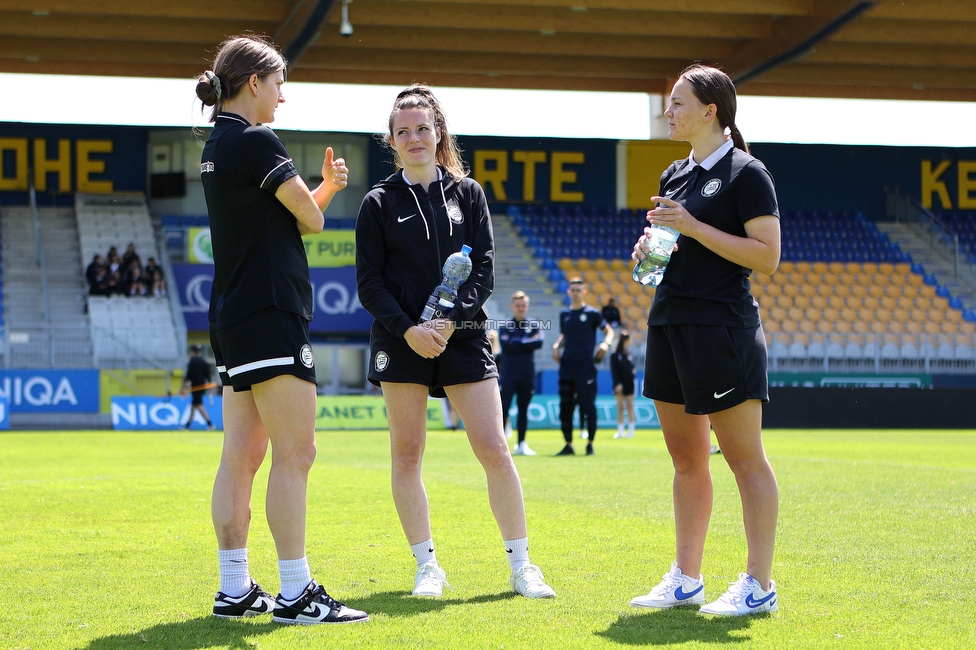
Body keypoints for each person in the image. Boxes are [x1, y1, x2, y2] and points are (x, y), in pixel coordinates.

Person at [356, 83, 556, 600]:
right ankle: (427, 567)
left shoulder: (468, 193)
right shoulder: (377, 202)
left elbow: (485, 270)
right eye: (404, 131)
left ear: (439, 132)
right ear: (392, 141)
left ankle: (522, 565)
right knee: (407, 453)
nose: (415, 137)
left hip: (462, 336)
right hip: (402, 340)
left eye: (423, 128)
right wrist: (410, 330)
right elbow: (369, 283)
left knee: (493, 447)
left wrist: (449, 322)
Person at [195, 34, 368, 625]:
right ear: (253, 84)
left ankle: (234, 588)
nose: (282, 98)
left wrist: (328, 186)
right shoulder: (256, 139)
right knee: (297, 453)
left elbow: (298, 218)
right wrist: (326, 195)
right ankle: (297, 593)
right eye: (278, 85)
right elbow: (313, 219)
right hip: (271, 313)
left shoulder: (219, 143)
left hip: (234, 314)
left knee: (240, 456)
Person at [628, 64, 781, 616]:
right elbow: (675, 249)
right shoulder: (674, 173)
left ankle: (759, 586)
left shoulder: (747, 173)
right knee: (686, 458)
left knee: (745, 460)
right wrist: (651, 251)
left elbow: (767, 257)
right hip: (669, 322)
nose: (667, 111)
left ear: (709, 109)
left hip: (722, 328)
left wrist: (692, 227)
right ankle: (685, 579)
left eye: (677, 102)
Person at [551, 278, 614, 456]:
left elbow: (609, 331)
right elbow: (564, 335)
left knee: (588, 406)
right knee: (565, 407)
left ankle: (590, 443)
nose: (576, 292)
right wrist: (557, 346)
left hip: (586, 366)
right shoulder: (565, 315)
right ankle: (568, 444)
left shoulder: (593, 314)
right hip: (566, 366)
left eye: (579, 290)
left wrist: (605, 345)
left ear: (584, 292)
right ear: (568, 292)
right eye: (573, 290)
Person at [497, 291, 543, 456]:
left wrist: (518, 341)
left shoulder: (534, 324)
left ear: (527, 306)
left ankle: (522, 444)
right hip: (508, 373)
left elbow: (539, 342)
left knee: (524, 409)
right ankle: (501, 447)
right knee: (504, 408)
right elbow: (506, 346)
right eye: (518, 305)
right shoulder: (505, 325)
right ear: (512, 306)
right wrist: (526, 343)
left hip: (527, 373)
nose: (521, 308)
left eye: (523, 305)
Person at [181, 343, 215, 430]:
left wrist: (183, 387)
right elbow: (208, 377)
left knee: (199, 405)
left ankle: (210, 424)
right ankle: (187, 426)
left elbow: (189, 375)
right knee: (193, 406)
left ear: (192, 352)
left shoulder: (192, 362)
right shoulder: (204, 362)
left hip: (195, 387)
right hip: (202, 387)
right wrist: (209, 386)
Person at [610, 330, 636, 439]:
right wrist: (617, 383)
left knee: (630, 406)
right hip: (619, 384)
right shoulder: (615, 354)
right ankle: (620, 431)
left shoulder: (629, 353)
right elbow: (614, 370)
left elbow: (632, 368)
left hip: (629, 383)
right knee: (620, 407)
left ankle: (631, 430)